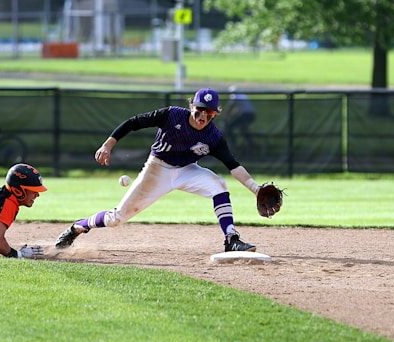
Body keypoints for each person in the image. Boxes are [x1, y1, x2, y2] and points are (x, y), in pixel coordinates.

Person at [55, 88, 266, 253]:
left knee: (219, 185)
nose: (203, 115)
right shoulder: (172, 115)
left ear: (215, 114)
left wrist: (256, 189)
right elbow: (133, 122)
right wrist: (108, 145)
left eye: (209, 112)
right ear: (191, 106)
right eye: (199, 109)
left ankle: (231, 239)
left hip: (186, 170)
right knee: (116, 219)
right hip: (157, 169)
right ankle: (77, 227)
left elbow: (233, 165)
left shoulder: (214, 136)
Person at [221, 86, 256, 153]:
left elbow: (230, 108)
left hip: (245, 115)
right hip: (251, 114)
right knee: (243, 129)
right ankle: (250, 144)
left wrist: (225, 117)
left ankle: (234, 145)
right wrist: (231, 116)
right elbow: (238, 109)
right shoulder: (242, 95)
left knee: (230, 127)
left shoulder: (235, 96)